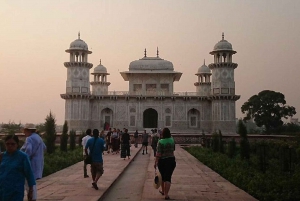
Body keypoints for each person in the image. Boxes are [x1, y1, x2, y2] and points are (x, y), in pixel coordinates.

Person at [0, 135, 36, 201]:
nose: (10, 146)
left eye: (12, 144)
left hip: (16, 191)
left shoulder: (23, 157)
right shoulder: (2, 156)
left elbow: (29, 174)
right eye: (7, 144)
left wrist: (31, 191)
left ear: (17, 144)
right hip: (3, 190)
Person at [21, 124, 46, 201]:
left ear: (29, 131)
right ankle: (33, 197)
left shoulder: (29, 138)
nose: (24, 133)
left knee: (28, 181)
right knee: (32, 181)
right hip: (38, 163)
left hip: (31, 162)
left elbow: (28, 150)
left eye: (25, 131)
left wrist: (25, 158)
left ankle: (32, 197)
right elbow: (45, 148)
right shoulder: (38, 138)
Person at [154, 128, 176, 200]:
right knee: (168, 177)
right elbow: (173, 149)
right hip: (171, 160)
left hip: (162, 161)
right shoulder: (172, 140)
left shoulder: (160, 142)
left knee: (162, 177)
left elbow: (158, 153)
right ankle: (166, 194)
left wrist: (156, 162)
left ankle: (163, 191)